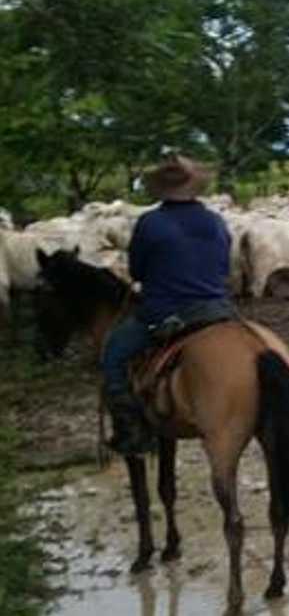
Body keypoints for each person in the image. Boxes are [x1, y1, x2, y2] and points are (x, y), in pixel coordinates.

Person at [101, 154, 235, 457]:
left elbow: (137, 272)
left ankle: (131, 431)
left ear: (160, 188)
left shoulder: (150, 222)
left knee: (113, 354)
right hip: (217, 310)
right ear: (194, 186)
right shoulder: (216, 221)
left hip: (165, 313)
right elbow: (226, 266)